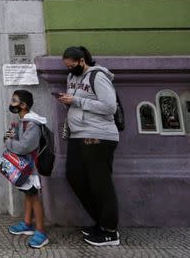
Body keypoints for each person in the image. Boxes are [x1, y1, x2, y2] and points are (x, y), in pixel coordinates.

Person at [56, 46, 120, 247]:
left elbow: (110, 107)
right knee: (73, 175)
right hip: (78, 134)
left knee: (101, 182)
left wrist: (76, 100)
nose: (69, 69)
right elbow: (78, 101)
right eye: (66, 66)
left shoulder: (98, 76)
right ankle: (100, 221)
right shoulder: (71, 78)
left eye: (71, 65)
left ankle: (110, 231)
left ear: (82, 61)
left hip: (98, 135)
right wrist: (68, 100)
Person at [5, 89, 49, 249]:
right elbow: (10, 136)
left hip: (31, 168)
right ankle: (27, 223)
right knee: (28, 195)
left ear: (23, 105)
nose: (11, 103)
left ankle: (41, 232)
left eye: (14, 100)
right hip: (24, 167)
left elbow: (24, 146)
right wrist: (10, 137)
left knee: (34, 198)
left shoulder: (32, 124)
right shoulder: (21, 122)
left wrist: (9, 142)